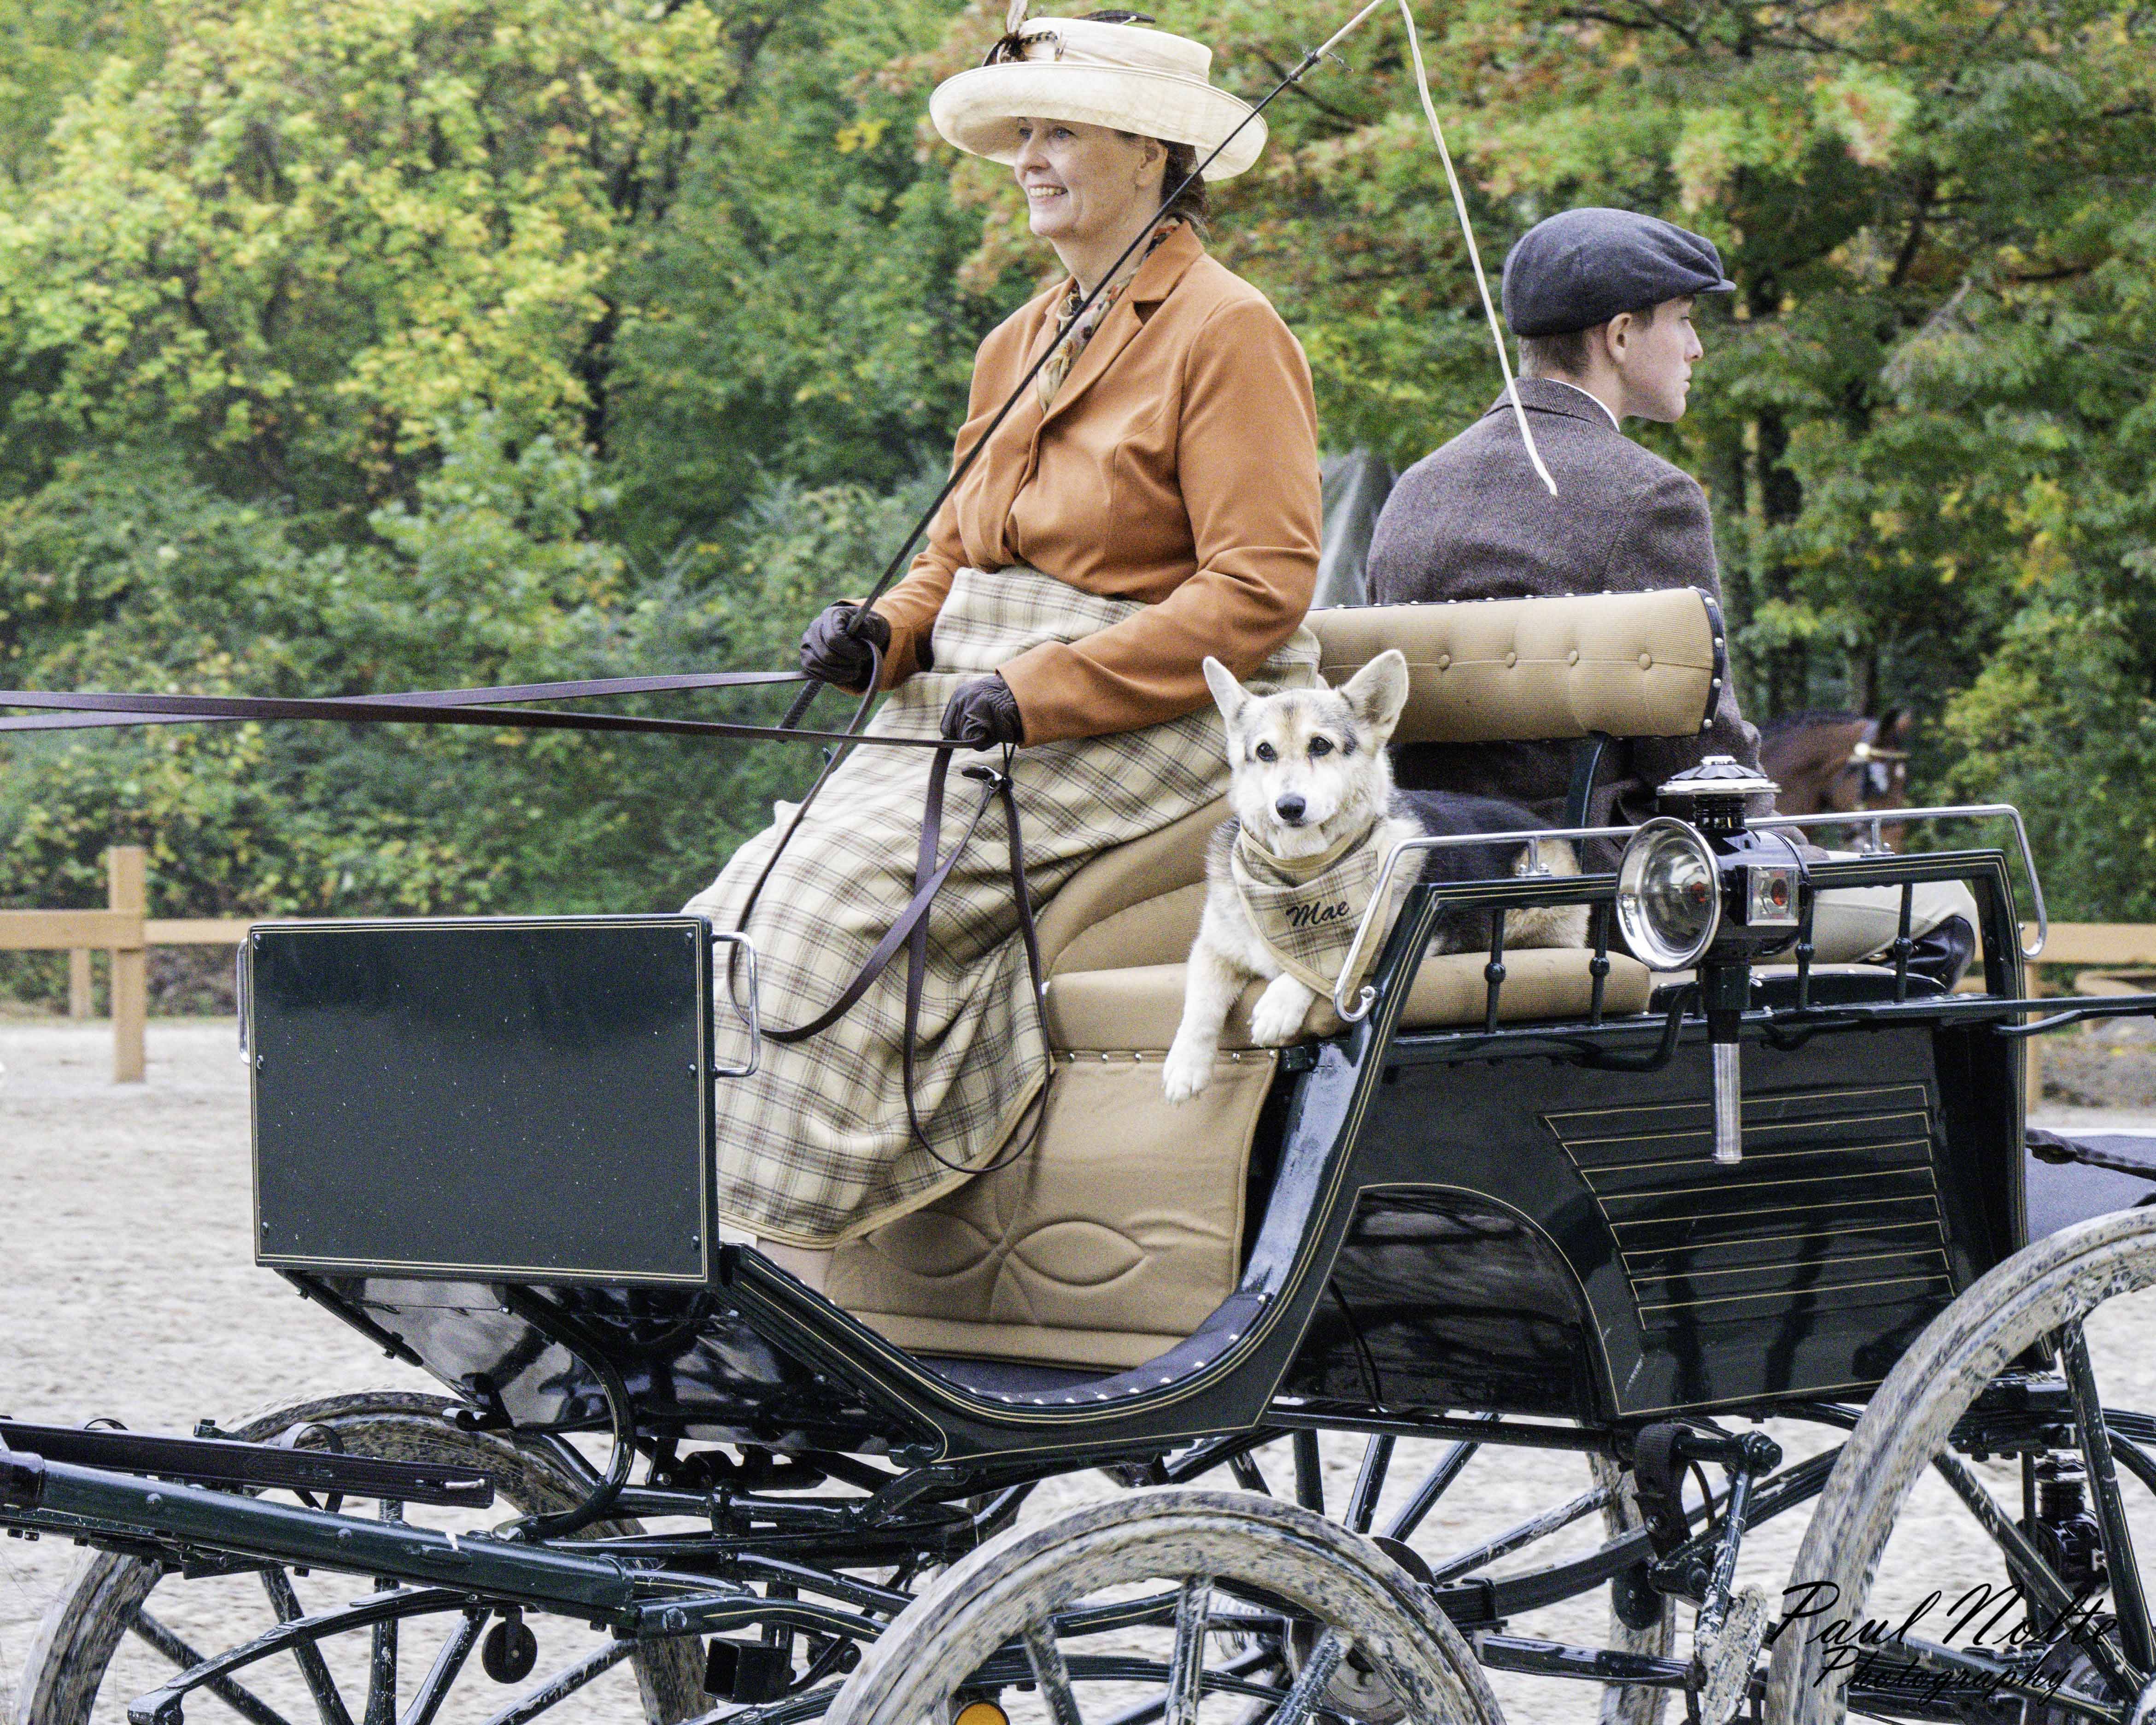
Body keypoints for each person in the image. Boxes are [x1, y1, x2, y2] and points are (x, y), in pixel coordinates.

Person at [686, 10, 1322, 1287]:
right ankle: (714, 1223)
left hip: (1168, 711)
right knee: (734, 905)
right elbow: (958, 554)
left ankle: (808, 1214)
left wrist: (1041, 689)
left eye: (1059, 132)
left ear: (1149, 153)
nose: (1029, 158)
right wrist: (882, 635)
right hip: (975, 700)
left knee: (823, 913)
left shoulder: (1226, 328)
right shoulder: (1018, 341)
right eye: (1022, 132)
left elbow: (1262, 589)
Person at [1365, 205, 1974, 976]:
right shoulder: (1650, 497)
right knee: (1947, 902)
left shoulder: (1414, 494)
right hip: (1613, 896)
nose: (1696, 348)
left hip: (1437, 884)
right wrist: (1789, 844)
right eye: (1683, 321)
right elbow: (1703, 762)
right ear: (1619, 337)